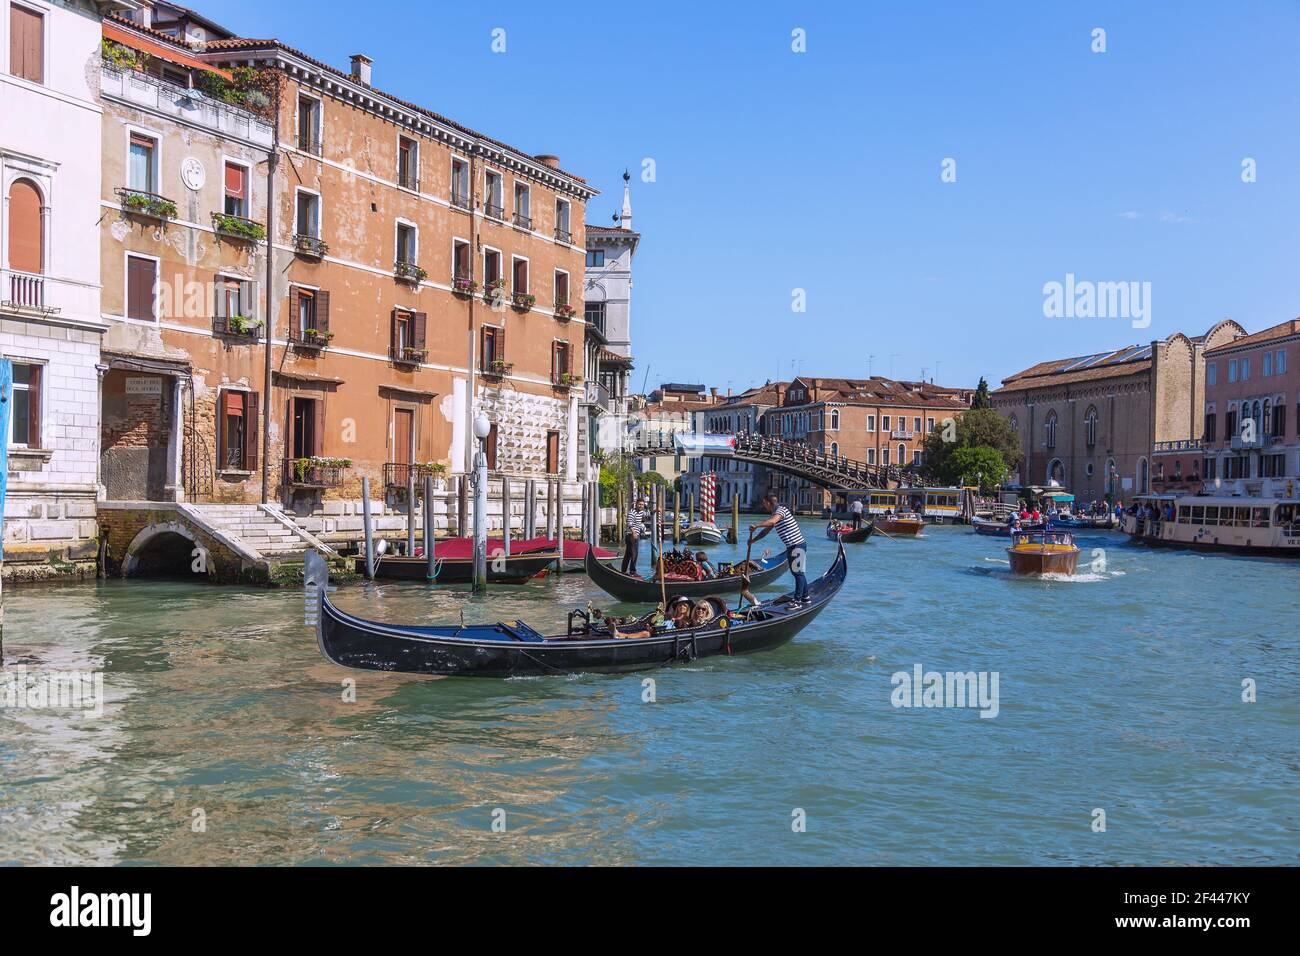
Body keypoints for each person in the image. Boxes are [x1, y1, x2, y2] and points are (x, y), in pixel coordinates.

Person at [751, 492, 810, 608]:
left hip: (797, 545)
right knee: (798, 573)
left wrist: (756, 525)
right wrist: (753, 540)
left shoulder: (781, 511)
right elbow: (766, 531)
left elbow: (772, 522)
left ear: (768, 502)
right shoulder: (775, 514)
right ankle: (805, 597)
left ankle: (797, 601)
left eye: (764, 504)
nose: (764, 506)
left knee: (798, 573)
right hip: (792, 546)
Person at [620, 498, 648, 575]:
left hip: (635, 535)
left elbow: (648, 513)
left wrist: (656, 510)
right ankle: (633, 572)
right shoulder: (632, 512)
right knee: (634, 553)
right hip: (631, 535)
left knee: (628, 554)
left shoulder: (641, 512)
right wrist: (634, 533)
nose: (641, 506)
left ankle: (623, 571)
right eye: (639, 504)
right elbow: (629, 523)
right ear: (636, 504)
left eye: (642, 505)